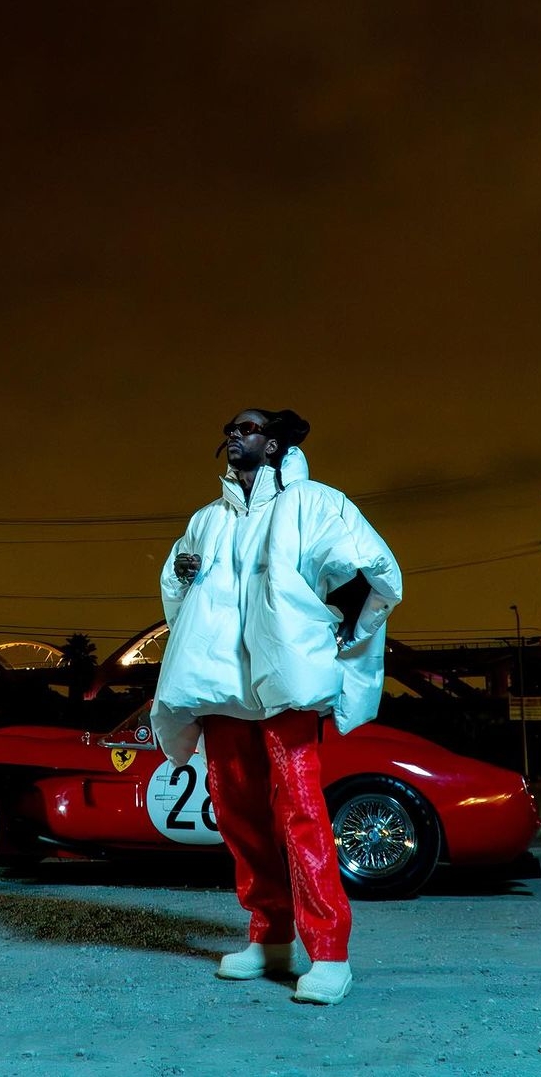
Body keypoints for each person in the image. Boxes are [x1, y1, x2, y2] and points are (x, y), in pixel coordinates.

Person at [150, 408, 402, 1006]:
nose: (234, 436)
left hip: (284, 680)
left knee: (301, 812)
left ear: (274, 444)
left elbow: (375, 570)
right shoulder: (206, 519)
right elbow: (177, 595)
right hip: (221, 682)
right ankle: (270, 937)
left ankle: (330, 952)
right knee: (237, 813)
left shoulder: (313, 503)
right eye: (230, 429)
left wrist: (332, 633)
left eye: (248, 428)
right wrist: (182, 576)